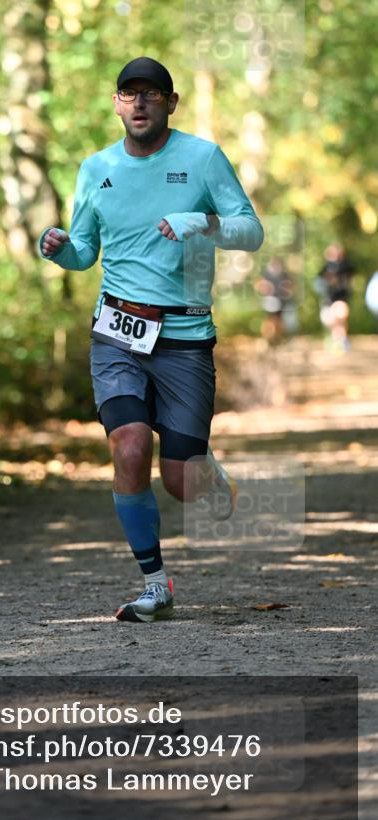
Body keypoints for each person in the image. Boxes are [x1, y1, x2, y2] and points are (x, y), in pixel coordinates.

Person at [39, 57, 264, 623]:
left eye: (151, 94)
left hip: (185, 334)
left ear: (171, 102)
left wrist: (204, 224)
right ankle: (155, 584)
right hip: (117, 331)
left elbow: (252, 231)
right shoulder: (95, 169)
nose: (139, 103)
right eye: (128, 93)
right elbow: (85, 252)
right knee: (130, 447)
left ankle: (204, 465)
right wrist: (59, 247)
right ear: (116, 103)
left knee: (183, 483)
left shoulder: (202, 158)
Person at [314, 243, 354, 351]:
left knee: (340, 316)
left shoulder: (346, 266)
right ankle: (337, 340)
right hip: (328, 300)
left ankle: (342, 341)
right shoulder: (325, 268)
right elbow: (318, 284)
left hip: (340, 298)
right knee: (332, 321)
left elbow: (348, 281)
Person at [255, 256, 296, 344]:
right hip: (270, 301)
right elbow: (259, 285)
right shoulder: (266, 274)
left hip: (282, 301)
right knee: (270, 320)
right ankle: (269, 338)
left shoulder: (284, 275)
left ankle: (276, 338)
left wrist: (286, 291)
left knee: (279, 321)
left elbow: (290, 287)